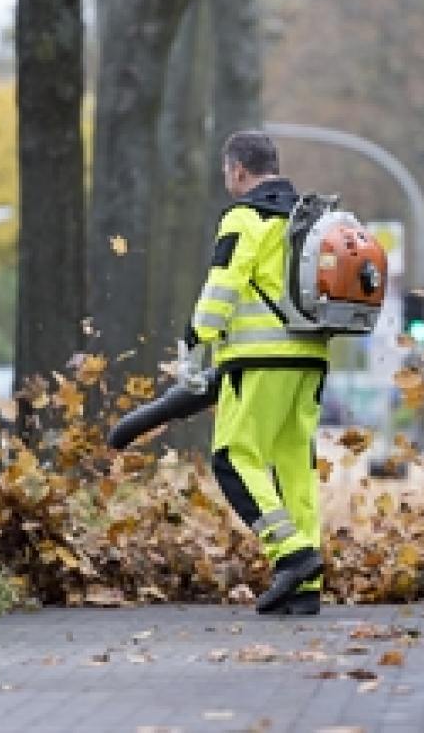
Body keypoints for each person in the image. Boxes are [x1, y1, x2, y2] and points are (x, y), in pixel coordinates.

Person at [179, 130, 329, 616]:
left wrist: (194, 341)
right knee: (293, 468)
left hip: (258, 361)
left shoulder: (244, 218)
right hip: (311, 360)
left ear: (238, 170)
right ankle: (304, 590)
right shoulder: (308, 219)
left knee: (232, 456)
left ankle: (294, 555)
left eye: (227, 172)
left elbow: (223, 284)